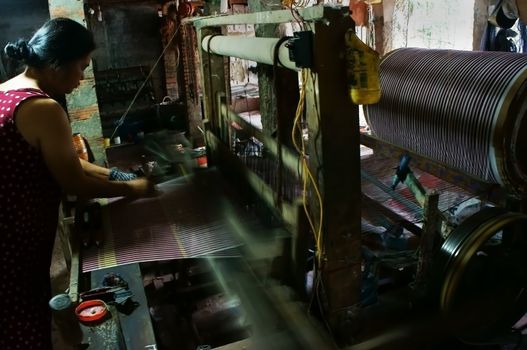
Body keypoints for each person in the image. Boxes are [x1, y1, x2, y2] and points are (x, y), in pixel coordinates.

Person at [0, 18, 155, 349]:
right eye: (81, 67)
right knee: (21, 322)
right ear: (58, 64)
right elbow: (75, 184)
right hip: (14, 241)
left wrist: (114, 174)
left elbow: (66, 159)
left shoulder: (9, 90)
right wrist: (134, 189)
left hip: (12, 227)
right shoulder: (43, 108)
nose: (82, 77)